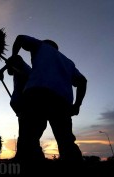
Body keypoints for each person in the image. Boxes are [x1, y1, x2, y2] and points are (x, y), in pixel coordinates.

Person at [10, 35, 87, 164]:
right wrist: (77, 105)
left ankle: (27, 165)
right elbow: (82, 81)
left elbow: (20, 38)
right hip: (62, 101)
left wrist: (13, 56)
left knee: (29, 137)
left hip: (36, 94)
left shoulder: (40, 46)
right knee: (66, 140)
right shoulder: (68, 62)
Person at [0, 55, 31, 160]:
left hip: (26, 102)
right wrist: (1, 72)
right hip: (20, 104)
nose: (9, 71)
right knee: (24, 129)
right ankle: (23, 154)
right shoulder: (18, 71)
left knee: (26, 130)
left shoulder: (24, 68)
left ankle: (25, 155)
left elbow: (16, 59)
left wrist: (2, 70)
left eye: (9, 68)